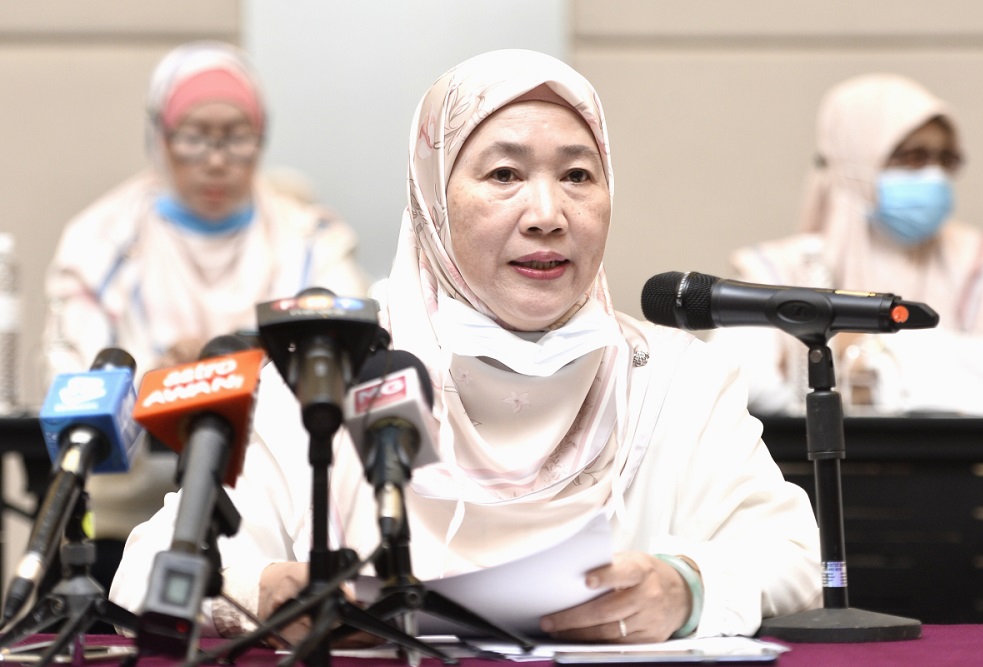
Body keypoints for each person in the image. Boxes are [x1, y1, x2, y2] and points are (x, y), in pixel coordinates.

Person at [111, 49, 820, 643]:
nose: (547, 215)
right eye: (504, 175)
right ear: (431, 200)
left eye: (577, 175)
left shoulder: (674, 376)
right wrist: (262, 592)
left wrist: (688, 587)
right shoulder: (320, 373)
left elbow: (793, 555)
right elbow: (148, 563)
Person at [41, 41, 369, 590]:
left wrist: (223, 369)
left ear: (261, 137)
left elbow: (350, 363)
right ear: (159, 136)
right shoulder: (99, 244)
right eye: (194, 137)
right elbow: (73, 387)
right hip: (123, 534)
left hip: (282, 534)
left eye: (237, 138)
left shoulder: (311, 239)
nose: (216, 159)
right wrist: (160, 383)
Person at [712, 73, 983, 416]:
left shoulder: (981, 259)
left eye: (945, 159)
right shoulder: (777, 269)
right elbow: (736, 386)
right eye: (913, 157)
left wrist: (868, 355)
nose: (934, 175)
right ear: (856, 159)